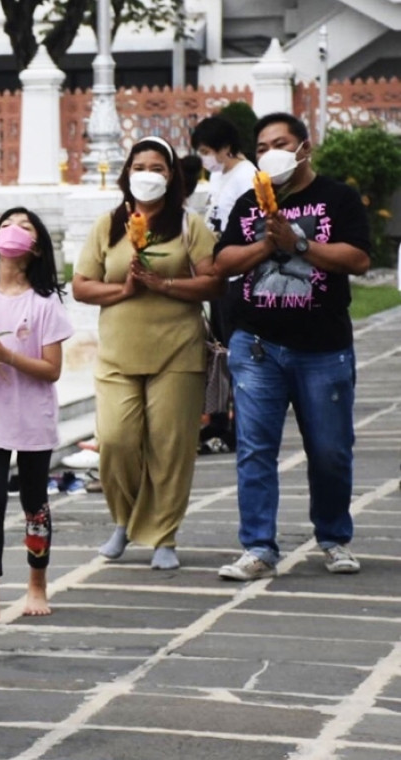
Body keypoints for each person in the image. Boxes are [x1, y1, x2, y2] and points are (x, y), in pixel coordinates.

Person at [215, 112, 371, 581]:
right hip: (258, 346)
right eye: (262, 148)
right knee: (255, 449)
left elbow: (358, 259)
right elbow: (224, 260)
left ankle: (334, 537)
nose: (271, 154)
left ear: (305, 147)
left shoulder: (337, 197)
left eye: (280, 144)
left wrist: (298, 244)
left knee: (330, 450)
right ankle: (258, 546)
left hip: (322, 348)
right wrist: (267, 246)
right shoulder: (250, 202)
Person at [72, 136, 221, 571]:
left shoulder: (189, 225)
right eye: (140, 167)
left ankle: (163, 535)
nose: (148, 175)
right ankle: (126, 519)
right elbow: (81, 285)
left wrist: (164, 284)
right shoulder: (109, 225)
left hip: (178, 351)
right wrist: (124, 289)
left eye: (157, 168)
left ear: (171, 176)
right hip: (119, 353)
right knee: (116, 441)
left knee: (170, 447)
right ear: (127, 173)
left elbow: (214, 282)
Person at [0, 207, 72, 622]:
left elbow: (52, 369)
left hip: (32, 419)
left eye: (25, 227)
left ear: (37, 248)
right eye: (7, 224)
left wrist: (7, 355)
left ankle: (36, 585)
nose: (13, 231)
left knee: (34, 502)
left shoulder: (44, 303)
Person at [193, 116, 259, 452]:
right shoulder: (219, 176)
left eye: (208, 150)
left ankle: (240, 424)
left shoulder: (247, 177)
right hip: (217, 275)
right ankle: (217, 421)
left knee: (239, 354)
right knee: (218, 353)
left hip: (240, 277)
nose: (205, 158)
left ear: (226, 147)